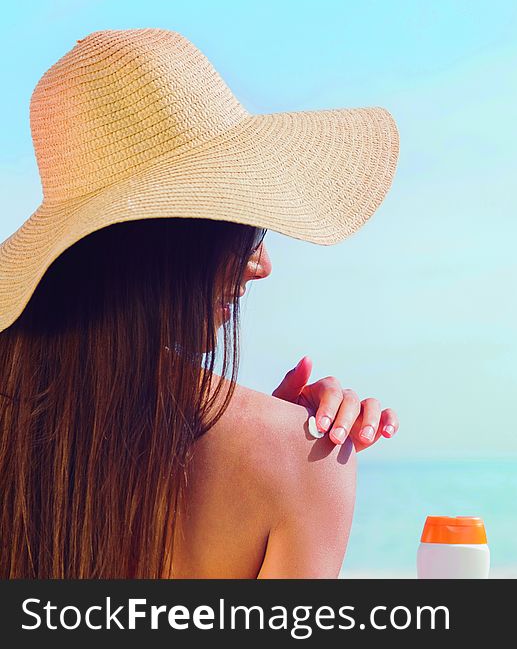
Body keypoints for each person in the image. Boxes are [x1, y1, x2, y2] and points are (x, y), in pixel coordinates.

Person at [0, 28, 400, 578]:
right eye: (242, 228)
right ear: (175, 242)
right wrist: (286, 451)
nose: (262, 265)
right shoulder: (302, 463)